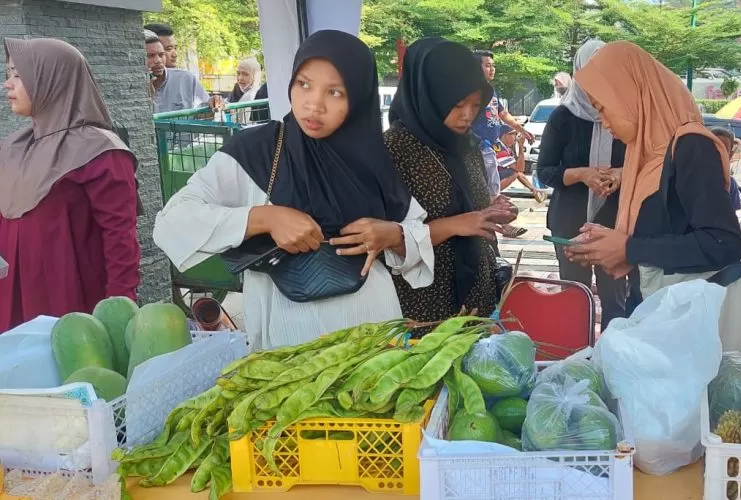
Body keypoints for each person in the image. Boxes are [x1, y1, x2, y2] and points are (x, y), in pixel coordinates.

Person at [154, 30, 432, 348]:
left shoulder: (373, 158)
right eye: (304, 84)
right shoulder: (258, 150)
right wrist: (265, 219)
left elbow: (416, 230)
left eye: (335, 92)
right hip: (286, 338)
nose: (314, 104)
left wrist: (392, 235)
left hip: (371, 327)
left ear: (358, 97)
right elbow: (173, 220)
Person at [564, 41, 741, 313]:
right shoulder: (643, 154)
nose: (605, 122)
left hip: (688, 319)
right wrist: (610, 243)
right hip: (655, 308)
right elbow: (664, 229)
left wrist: (629, 248)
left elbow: (723, 244)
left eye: (603, 107)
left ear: (629, 94)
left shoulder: (691, 146)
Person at [0, 38, 140, 330]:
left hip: (71, 308)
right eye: (7, 74)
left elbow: (119, 240)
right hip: (12, 302)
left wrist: (119, 312)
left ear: (52, 77)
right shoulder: (15, 147)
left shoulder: (100, 151)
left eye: (17, 74)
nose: (7, 85)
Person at [383, 37, 517, 324]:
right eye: (457, 104)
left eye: (475, 104)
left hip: (476, 296)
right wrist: (457, 225)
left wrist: (494, 209)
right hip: (424, 305)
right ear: (430, 94)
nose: (467, 115)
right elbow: (388, 239)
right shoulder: (394, 149)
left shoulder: (466, 145)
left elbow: (472, 204)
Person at [537, 39, 628, 329]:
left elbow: (642, 164)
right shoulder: (564, 117)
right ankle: (576, 358)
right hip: (570, 222)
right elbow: (546, 171)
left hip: (612, 221)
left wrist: (617, 174)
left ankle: (611, 358)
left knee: (615, 294)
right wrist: (582, 174)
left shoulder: (623, 115)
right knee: (576, 295)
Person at [470, 50, 535, 198]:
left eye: (493, 65)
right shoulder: (472, 91)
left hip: (492, 144)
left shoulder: (492, 91)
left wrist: (521, 129)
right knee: (486, 182)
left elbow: (503, 114)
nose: (492, 69)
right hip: (478, 145)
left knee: (494, 180)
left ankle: (492, 204)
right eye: (487, 65)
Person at [146, 31, 222, 113]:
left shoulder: (186, 79)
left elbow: (205, 111)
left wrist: (214, 102)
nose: (158, 60)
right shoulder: (133, 87)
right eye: (150, 56)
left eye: (161, 55)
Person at [710, 127, 741, 210]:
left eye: (724, 150)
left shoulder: (731, 183)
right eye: (715, 149)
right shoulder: (694, 179)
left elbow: (732, 215)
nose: (720, 154)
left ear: (731, 154)